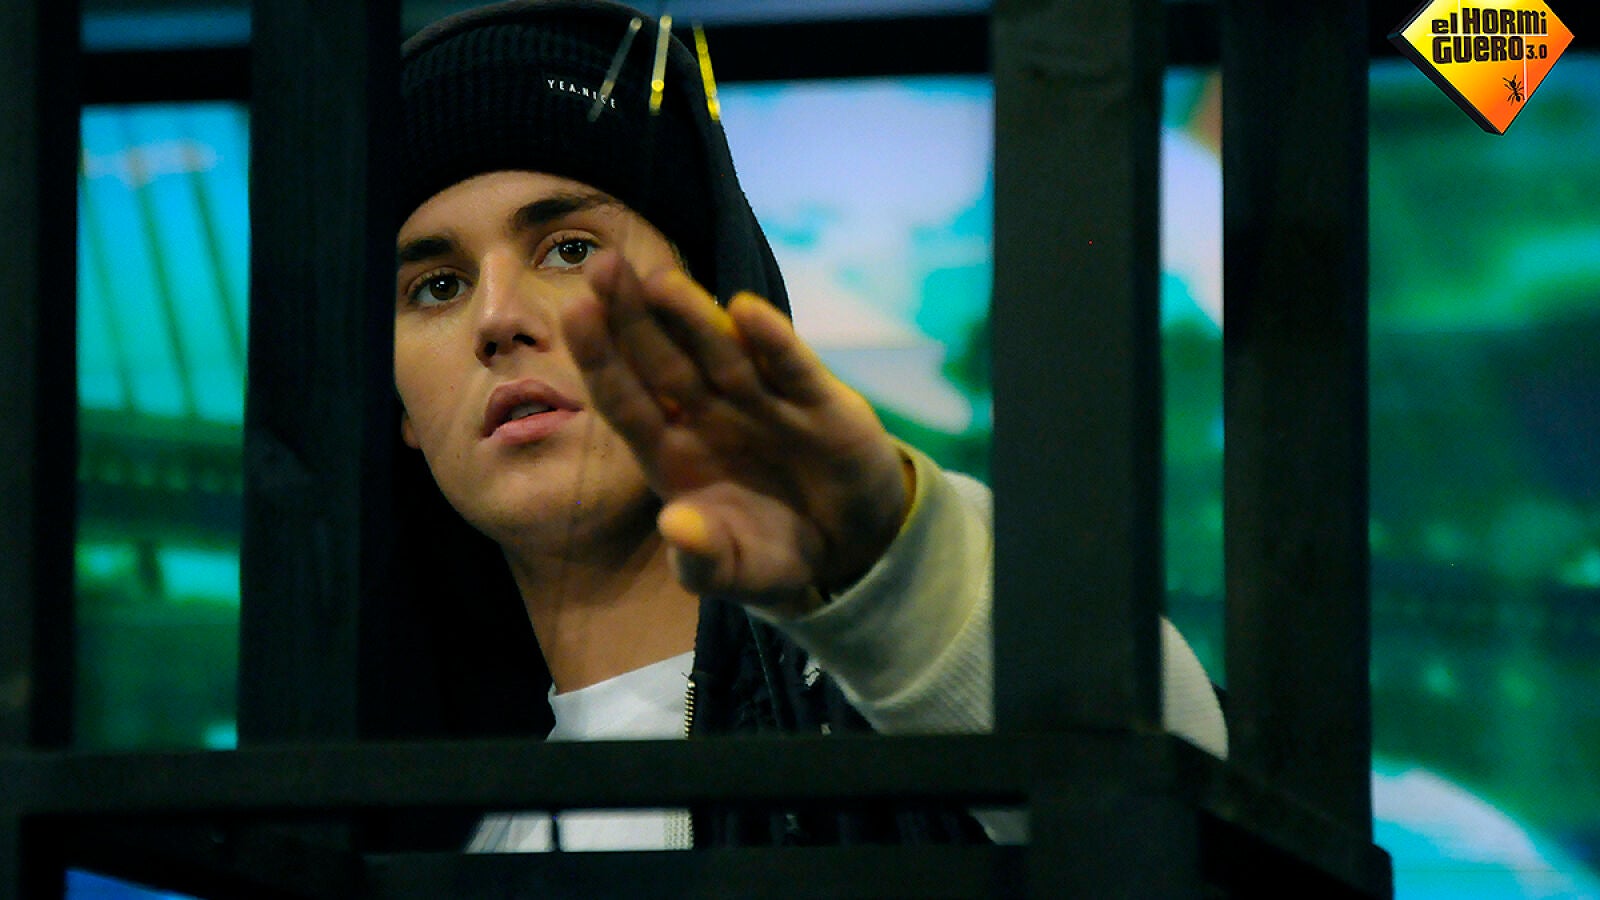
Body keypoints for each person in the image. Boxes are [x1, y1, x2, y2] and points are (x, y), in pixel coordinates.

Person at [388, 0, 1227, 852]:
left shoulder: (905, 738)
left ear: (709, 304)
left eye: (569, 248)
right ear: (397, 406)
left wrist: (903, 574)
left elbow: (1184, 819)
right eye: (437, 286)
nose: (497, 316)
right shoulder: (404, 841)